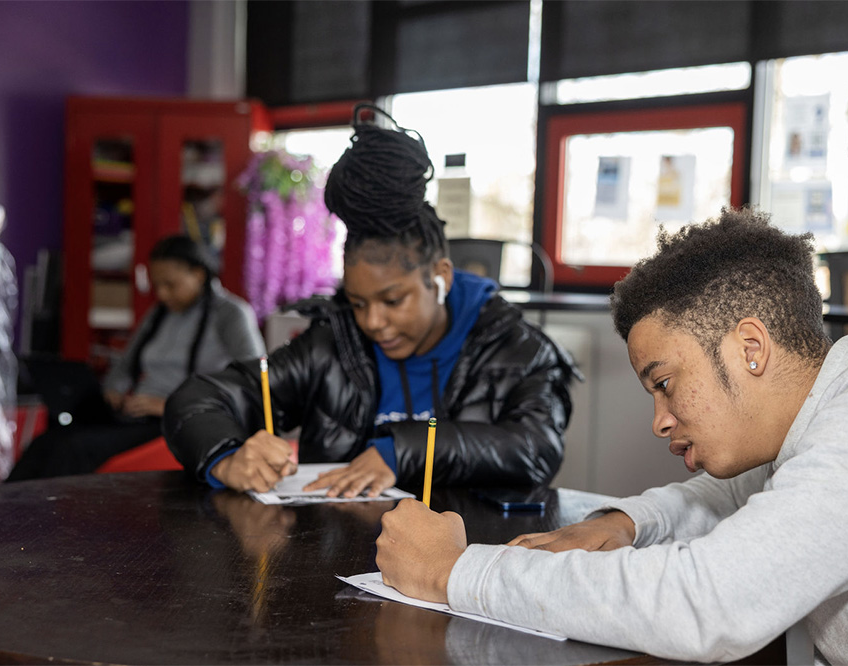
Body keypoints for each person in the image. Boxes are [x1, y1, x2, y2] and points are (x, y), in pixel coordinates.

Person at [374, 208, 848, 664]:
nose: (659, 421)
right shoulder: (823, 420)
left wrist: (452, 571)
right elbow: (731, 496)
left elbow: (712, 603)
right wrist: (622, 524)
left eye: (666, 383)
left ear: (750, 348)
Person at [163, 105, 579, 497]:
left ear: (441, 277)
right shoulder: (332, 345)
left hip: (468, 556)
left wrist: (403, 450)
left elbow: (536, 447)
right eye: (359, 303)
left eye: (393, 300)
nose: (373, 322)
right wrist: (226, 457)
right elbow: (196, 399)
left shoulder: (517, 349)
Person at [7, 235, 265, 480]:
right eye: (157, 286)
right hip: (137, 415)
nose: (162, 294)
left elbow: (253, 381)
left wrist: (169, 405)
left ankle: (43, 523)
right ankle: (1, 515)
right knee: (48, 440)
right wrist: (114, 392)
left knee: (73, 448)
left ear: (198, 274)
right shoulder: (160, 314)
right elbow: (125, 365)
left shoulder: (231, 314)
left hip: (178, 423)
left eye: (170, 285)